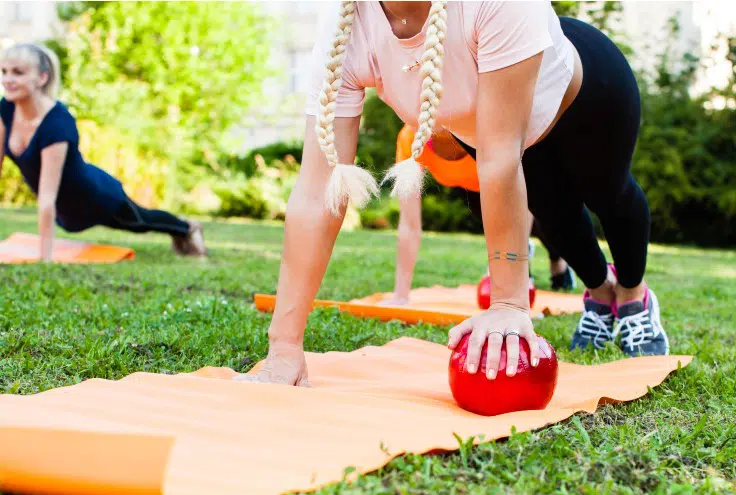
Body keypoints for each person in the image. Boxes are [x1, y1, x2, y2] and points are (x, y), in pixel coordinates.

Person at [242, 1, 669, 388]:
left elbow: (499, 160)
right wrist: (283, 347)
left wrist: (508, 304)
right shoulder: (345, 26)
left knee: (608, 194)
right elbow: (318, 190)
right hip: (504, 134)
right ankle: (599, 292)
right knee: (555, 215)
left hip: (588, 94)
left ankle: (633, 294)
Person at [0, 43, 206, 260]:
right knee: (136, 221)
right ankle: (183, 228)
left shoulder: (57, 123)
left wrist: (45, 260)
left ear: (42, 78)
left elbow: (47, 197)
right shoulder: (6, 108)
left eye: (18, 73)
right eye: (4, 71)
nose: (7, 79)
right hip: (67, 210)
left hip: (96, 197)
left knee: (141, 221)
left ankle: (187, 227)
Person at [388, 123, 575, 304]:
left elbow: (520, 192)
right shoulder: (409, 138)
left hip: (514, 182)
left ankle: (557, 260)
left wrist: (509, 264)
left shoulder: (483, 126)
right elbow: (409, 225)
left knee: (545, 226)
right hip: (471, 186)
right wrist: (400, 296)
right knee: (497, 233)